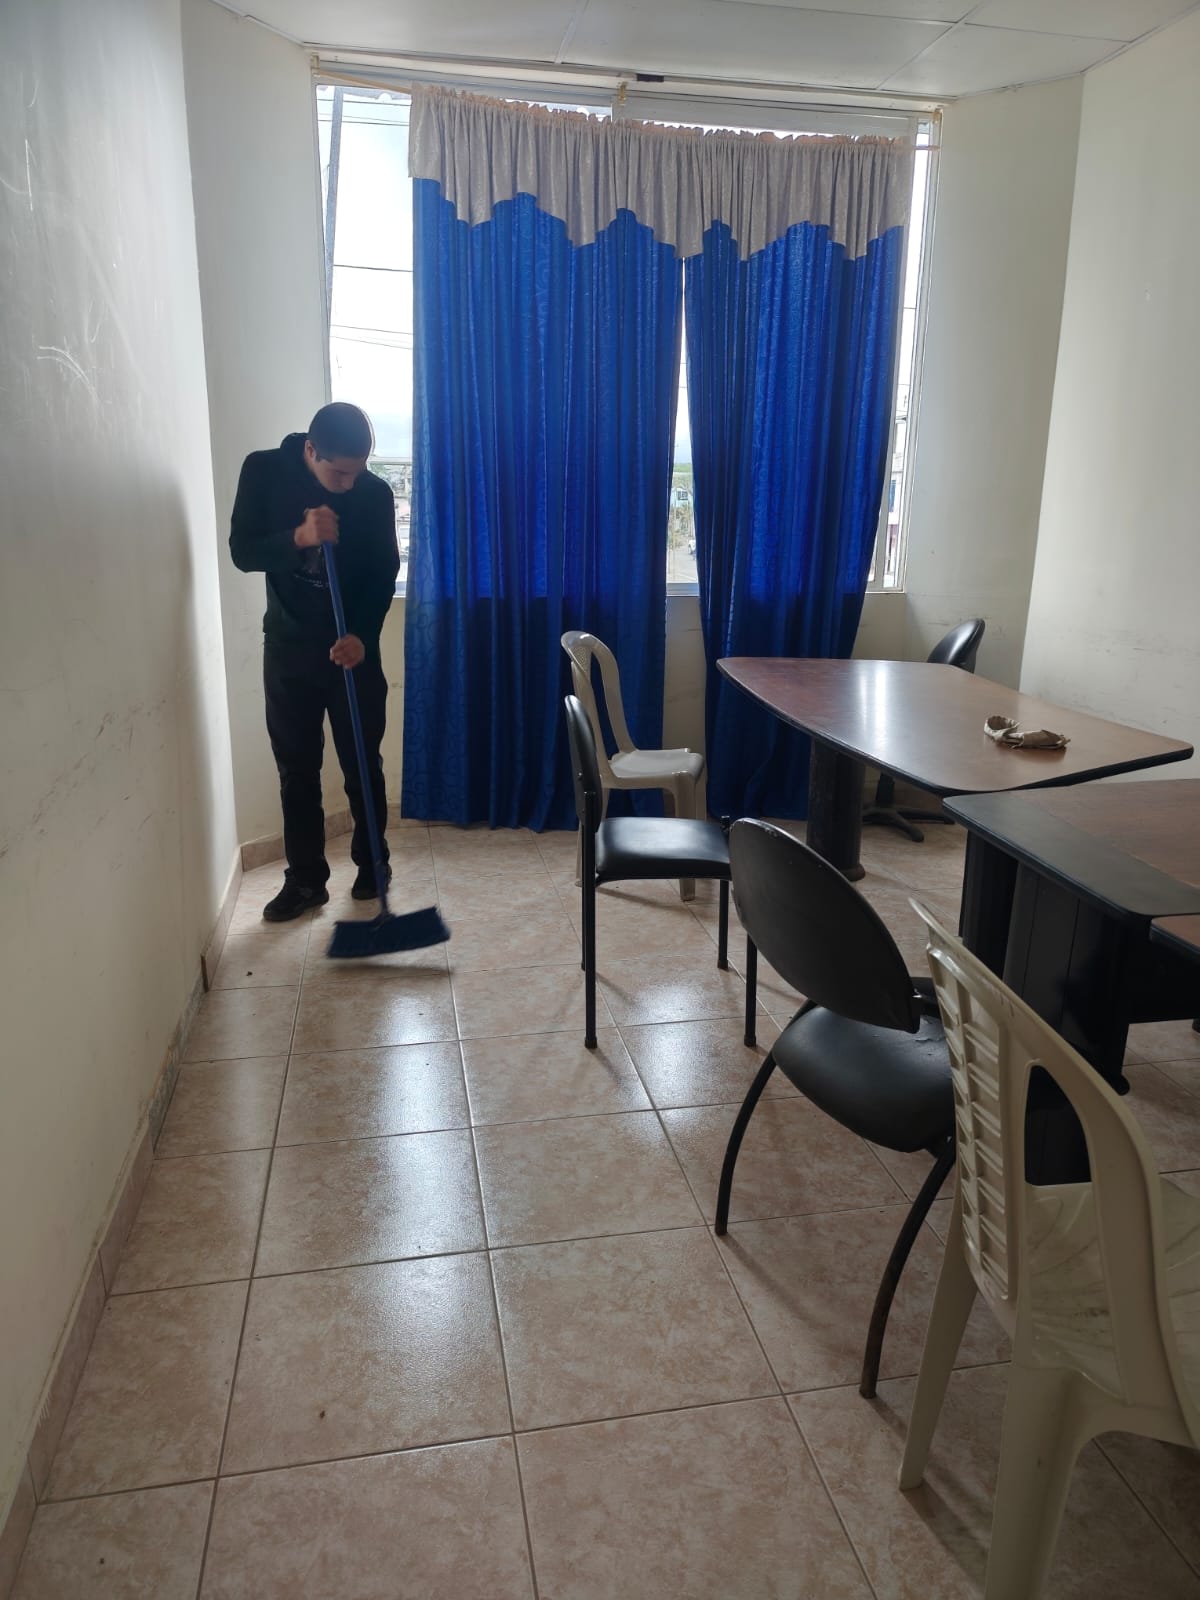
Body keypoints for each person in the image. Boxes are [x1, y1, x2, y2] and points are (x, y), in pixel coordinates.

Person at [230, 402, 400, 921]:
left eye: (358, 471)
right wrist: (298, 538)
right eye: (339, 474)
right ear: (310, 450)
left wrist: (362, 636)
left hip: (353, 652)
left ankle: (374, 864)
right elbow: (242, 551)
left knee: (362, 763)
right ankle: (305, 881)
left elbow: (383, 571)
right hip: (290, 650)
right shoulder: (264, 471)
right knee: (297, 770)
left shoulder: (373, 493)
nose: (350, 483)